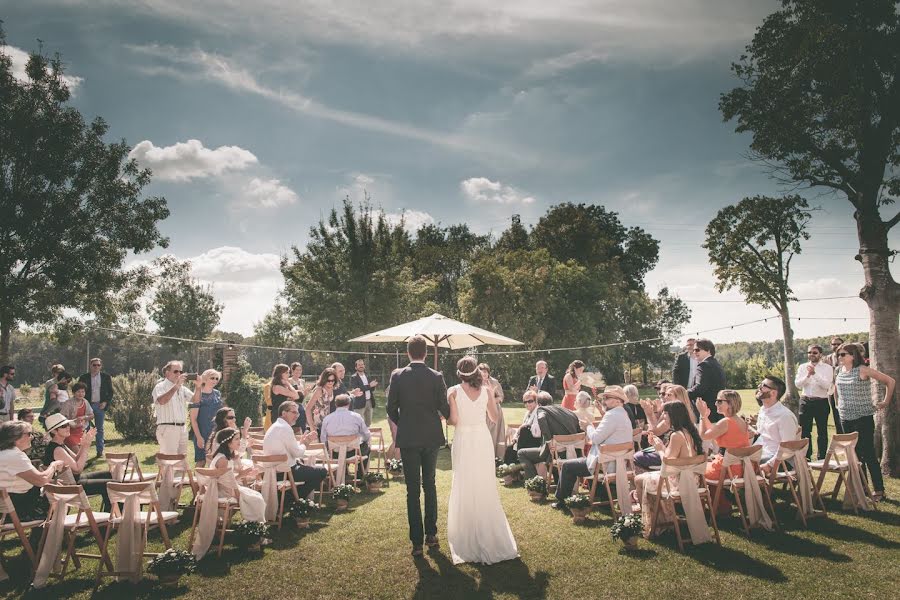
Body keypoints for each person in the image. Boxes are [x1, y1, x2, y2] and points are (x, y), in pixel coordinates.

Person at [446, 356, 518, 565]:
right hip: (482, 438)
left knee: (464, 482)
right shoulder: (487, 391)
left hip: (463, 438)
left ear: (459, 373)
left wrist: (450, 408)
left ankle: (467, 532)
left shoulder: (453, 391)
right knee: (484, 483)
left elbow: (454, 421)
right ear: (477, 372)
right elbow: (494, 418)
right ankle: (488, 530)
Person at [386, 334, 450, 557]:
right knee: (429, 484)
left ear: (408, 353)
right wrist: (440, 416)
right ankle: (431, 534)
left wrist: (403, 423)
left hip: (409, 437)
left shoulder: (398, 376)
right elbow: (445, 407)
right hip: (431, 436)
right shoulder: (436, 376)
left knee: (412, 490)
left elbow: (390, 408)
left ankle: (416, 543)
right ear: (425, 353)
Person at [553, 386, 634, 507]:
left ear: (618, 401)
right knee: (577, 462)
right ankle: (603, 499)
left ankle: (562, 501)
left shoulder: (612, 415)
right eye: (604, 398)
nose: (604, 400)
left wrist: (588, 426)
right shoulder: (623, 415)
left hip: (604, 465)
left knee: (567, 466)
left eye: (607, 398)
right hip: (619, 463)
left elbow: (595, 438)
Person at [834, 342, 895, 502]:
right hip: (845, 418)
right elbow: (836, 388)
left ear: (853, 356)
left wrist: (885, 401)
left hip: (863, 418)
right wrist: (837, 404)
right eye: (838, 354)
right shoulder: (839, 370)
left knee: (867, 453)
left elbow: (890, 381)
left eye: (842, 354)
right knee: (854, 456)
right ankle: (863, 490)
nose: (839, 357)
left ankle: (879, 491)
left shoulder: (862, 370)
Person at [635, 401, 705, 535]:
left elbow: (667, 462)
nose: (663, 416)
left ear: (674, 415)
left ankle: (656, 525)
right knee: (650, 478)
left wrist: (659, 448)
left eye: (665, 413)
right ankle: (665, 520)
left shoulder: (676, 435)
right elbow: (676, 457)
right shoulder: (690, 432)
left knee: (638, 479)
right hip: (694, 480)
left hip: (679, 482)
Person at [44, 413, 113, 512]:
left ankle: (111, 516)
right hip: (70, 487)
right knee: (112, 484)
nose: (68, 427)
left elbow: (76, 460)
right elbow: (78, 469)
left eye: (67, 424)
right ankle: (111, 521)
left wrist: (83, 445)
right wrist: (87, 446)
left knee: (110, 474)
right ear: (54, 431)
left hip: (73, 481)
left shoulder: (60, 444)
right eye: (63, 426)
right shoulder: (57, 449)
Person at [697, 390, 751, 513]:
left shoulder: (726, 422)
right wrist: (705, 417)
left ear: (730, 404)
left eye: (719, 401)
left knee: (696, 470)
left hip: (728, 469)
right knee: (707, 466)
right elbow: (714, 431)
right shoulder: (739, 420)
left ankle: (717, 507)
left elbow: (704, 436)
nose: (716, 404)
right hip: (742, 467)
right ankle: (722, 506)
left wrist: (701, 415)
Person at [0, 421, 65, 523]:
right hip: (18, 512)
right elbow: (41, 480)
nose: (32, 437)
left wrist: (49, 481)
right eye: (29, 434)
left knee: (52, 492)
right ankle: (42, 539)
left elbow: (21, 479)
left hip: (6, 510)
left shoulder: (5, 454)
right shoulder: (15, 456)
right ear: (16, 438)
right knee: (59, 498)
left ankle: (38, 538)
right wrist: (54, 465)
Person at [262, 401, 328, 500]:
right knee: (322, 471)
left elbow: (289, 449)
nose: (297, 415)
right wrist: (307, 441)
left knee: (306, 468)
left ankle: (288, 499)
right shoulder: (285, 428)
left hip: (272, 472)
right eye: (294, 412)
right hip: (287, 473)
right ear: (284, 413)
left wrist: (301, 442)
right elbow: (298, 453)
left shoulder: (275, 426)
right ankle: (294, 500)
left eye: (298, 413)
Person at [517, 391, 581, 479]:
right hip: (574, 451)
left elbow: (541, 418)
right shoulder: (568, 411)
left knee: (521, 453)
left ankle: (535, 483)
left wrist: (549, 442)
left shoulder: (542, 409)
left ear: (538, 404)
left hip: (555, 452)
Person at [208, 428, 266, 523]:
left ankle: (254, 525)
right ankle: (255, 528)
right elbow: (223, 482)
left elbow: (228, 477)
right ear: (228, 442)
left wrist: (246, 474)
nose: (240, 441)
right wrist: (241, 475)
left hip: (228, 488)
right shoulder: (223, 460)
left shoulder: (226, 456)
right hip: (223, 491)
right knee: (257, 499)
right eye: (236, 439)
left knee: (257, 496)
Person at [794, 345, 833, 460]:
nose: (811, 354)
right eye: (809, 352)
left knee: (822, 431)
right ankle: (807, 456)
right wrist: (808, 375)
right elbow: (798, 384)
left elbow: (826, 385)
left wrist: (815, 374)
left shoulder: (827, 368)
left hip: (821, 402)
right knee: (805, 431)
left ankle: (821, 457)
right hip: (806, 401)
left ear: (820, 354)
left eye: (814, 352)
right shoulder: (802, 367)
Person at [750, 375, 798, 468]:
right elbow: (762, 435)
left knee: (739, 465)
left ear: (773, 393)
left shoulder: (785, 416)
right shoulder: (763, 410)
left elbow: (787, 449)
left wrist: (769, 465)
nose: (759, 387)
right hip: (760, 453)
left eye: (763, 385)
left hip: (779, 461)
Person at [152, 360, 194, 455]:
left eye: (181, 372)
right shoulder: (160, 386)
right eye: (176, 371)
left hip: (182, 428)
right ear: (167, 373)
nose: (179, 374)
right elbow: (162, 401)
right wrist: (176, 386)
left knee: (181, 461)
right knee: (169, 461)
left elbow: (196, 400)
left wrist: (199, 386)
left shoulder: (182, 388)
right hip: (168, 428)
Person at [78, 358, 113, 458]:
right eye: (94, 365)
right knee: (86, 429)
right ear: (90, 366)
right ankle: (84, 452)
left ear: (101, 366)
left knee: (99, 429)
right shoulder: (84, 377)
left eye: (98, 365)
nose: (96, 367)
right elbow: (79, 391)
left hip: (100, 406)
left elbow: (110, 392)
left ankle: (99, 451)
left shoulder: (106, 377)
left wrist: (105, 402)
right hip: (87, 406)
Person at [320, 394, 371, 460]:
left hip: (335, 452)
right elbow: (366, 434)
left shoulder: (327, 419)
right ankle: (360, 470)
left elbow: (323, 438)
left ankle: (343, 469)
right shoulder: (356, 417)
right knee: (366, 447)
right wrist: (364, 441)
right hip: (353, 451)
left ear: (336, 405)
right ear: (348, 404)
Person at [189, 369, 224, 466]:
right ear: (204, 379)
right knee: (201, 461)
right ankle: (197, 481)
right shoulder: (197, 394)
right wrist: (199, 437)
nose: (215, 380)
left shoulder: (217, 393)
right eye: (212, 378)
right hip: (202, 432)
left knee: (215, 460)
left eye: (217, 378)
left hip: (216, 432)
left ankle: (211, 481)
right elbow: (193, 419)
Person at [687, 339, 727, 423]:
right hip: (716, 410)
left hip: (706, 411)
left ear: (708, 350)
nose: (694, 352)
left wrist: (682, 394)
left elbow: (700, 388)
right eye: (693, 350)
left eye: (697, 350)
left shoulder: (704, 365)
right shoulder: (716, 364)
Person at [503, 390, 543, 464]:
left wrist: (527, 427)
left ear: (536, 401)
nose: (527, 404)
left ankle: (516, 470)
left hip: (535, 442)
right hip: (524, 440)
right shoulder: (528, 413)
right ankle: (509, 472)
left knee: (525, 429)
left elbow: (537, 433)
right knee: (509, 448)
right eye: (525, 402)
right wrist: (515, 438)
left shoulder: (539, 412)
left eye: (530, 401)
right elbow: (520, 428)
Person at [478, 363, 506, 460]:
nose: (483, 374)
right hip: (481, 412)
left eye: (485, 372)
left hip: (494, 410)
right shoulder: (476, 382)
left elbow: (501, 397)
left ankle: (495, 456)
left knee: (493, 434)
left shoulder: (494, 382)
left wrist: (491, 401)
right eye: (481, 372)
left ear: (488, 372)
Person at [59, 382, 94, 452]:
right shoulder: (68, 403)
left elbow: (92, 415)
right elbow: (61, 418)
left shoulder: (85, 402)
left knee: (82, 454)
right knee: (77, 453)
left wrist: (84, 417)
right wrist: (72, 423)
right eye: (78, 392)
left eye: (83, 392)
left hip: (81, 431)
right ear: (74, 393)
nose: (81, 394)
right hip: (69, 432)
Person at [271, 364, 305, 432]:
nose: (289, 375)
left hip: (285, 416)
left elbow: (296, 396)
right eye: (286, 372)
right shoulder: (278, 387)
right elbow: (296, 396)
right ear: (280, 374)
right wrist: (288, 383)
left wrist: (286, 383)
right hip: (279, 416)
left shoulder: (283, 386)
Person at [822, 336, 845, 434]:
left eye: (838, 344)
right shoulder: (826, 359)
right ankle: (840, 437)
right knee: (836, 416)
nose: (836, 346)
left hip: (845, 389)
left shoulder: (846, 356)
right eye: (834, 344)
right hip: (832, 390)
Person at [305, 368, 337, 436]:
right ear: (324, 379)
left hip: (326, 423)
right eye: (328, 380)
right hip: (317, 424)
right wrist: (312, 427)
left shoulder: (332, 388)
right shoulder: (319, 390)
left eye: (333, 380)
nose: (331, 382)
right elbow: (308, 408)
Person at [350, 359, 378, 426]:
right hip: (359, 403)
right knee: (359, 424)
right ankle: (359, 436)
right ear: (356, 367)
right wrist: (369, 385)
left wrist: (373, 385)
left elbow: (370, 389)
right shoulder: (354, 377)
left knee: (368, 423)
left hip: (369, 402)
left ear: (364, 366)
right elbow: (358, 389)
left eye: (362, 364)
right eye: (359, 365)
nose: (361, 366)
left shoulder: (367, 376)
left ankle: (366, 436)